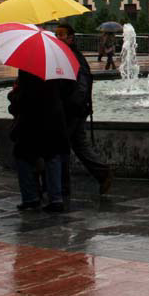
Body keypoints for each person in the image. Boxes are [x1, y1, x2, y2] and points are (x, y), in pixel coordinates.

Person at [56, 23, 114, 196]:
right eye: (56, 34)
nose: (58, 37)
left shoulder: (73, 56)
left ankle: (62, 185)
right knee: (78, 144)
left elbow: (82, 84)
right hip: (77, 109)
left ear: (70, 38)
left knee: (61, 145)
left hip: (73, 110)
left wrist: (72, 106)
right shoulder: (65, 54)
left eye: (61, 35)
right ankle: (102, 173)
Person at [8, 69, 70, 213]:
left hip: (32, 120)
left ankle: (30, 198)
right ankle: (56, 199)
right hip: (54, 118)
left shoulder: (28, 69)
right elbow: (67, 91)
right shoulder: (57, 68)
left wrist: (13, 96)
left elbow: (23, 99)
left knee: (22, 155)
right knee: (52, 156)